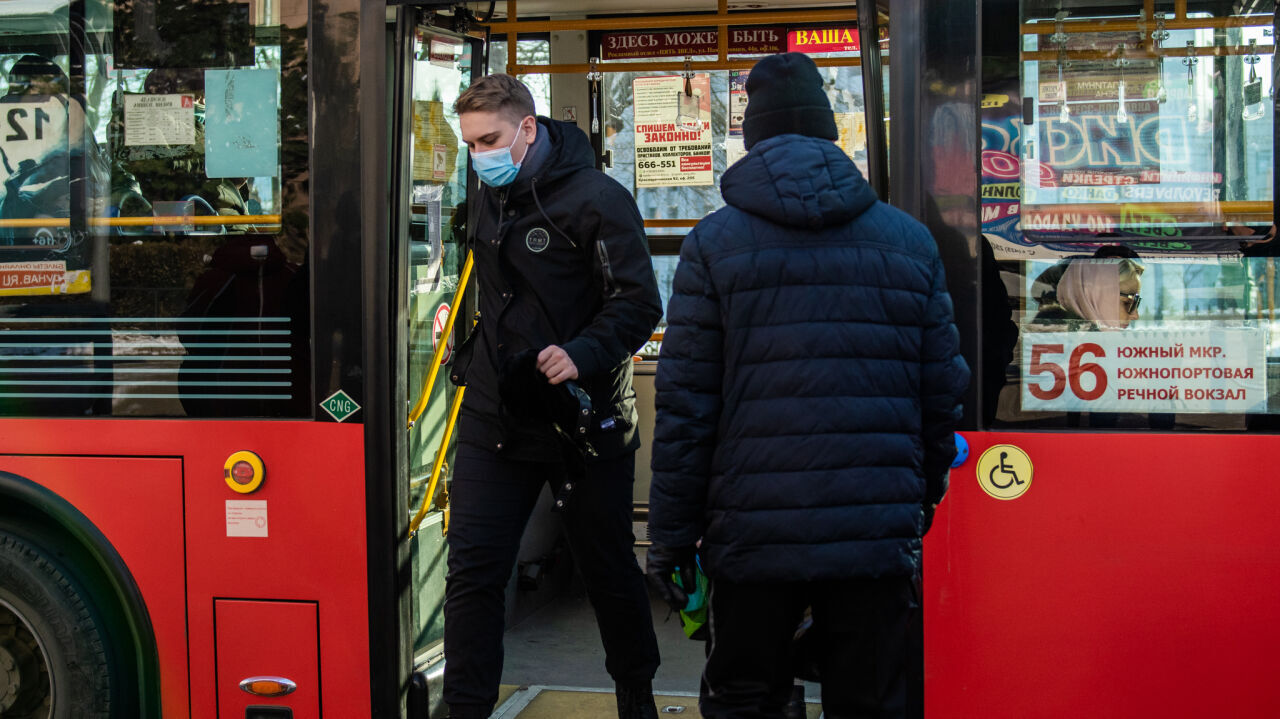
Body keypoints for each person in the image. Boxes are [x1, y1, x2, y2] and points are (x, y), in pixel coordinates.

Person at [645, 52, 969, 719]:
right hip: (875, 529)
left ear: (752, 137)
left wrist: (672, 538)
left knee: (747, 696)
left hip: (751, 535)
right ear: (831, 135)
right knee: (872, 698)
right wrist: (920, 497)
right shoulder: (908, 242)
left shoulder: (713, 245)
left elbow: (685, 407)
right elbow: (941, 393)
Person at [444, 74, 664, 719]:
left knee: (608, 571)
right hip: (497, 413)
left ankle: (636, 695)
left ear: (529, 128)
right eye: (470, 143)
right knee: (474, 574)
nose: (479, 154)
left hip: (583, 421)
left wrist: (582, 354)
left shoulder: (598, 198)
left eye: (490, 139)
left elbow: (639, 302)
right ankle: (465, 709)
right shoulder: (487, 194)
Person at [1032, 257, 1144, 330]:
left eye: (1136, 302)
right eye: (1127, 303)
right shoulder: (1061, 340)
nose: (1135, 315)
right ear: (1093, 298)